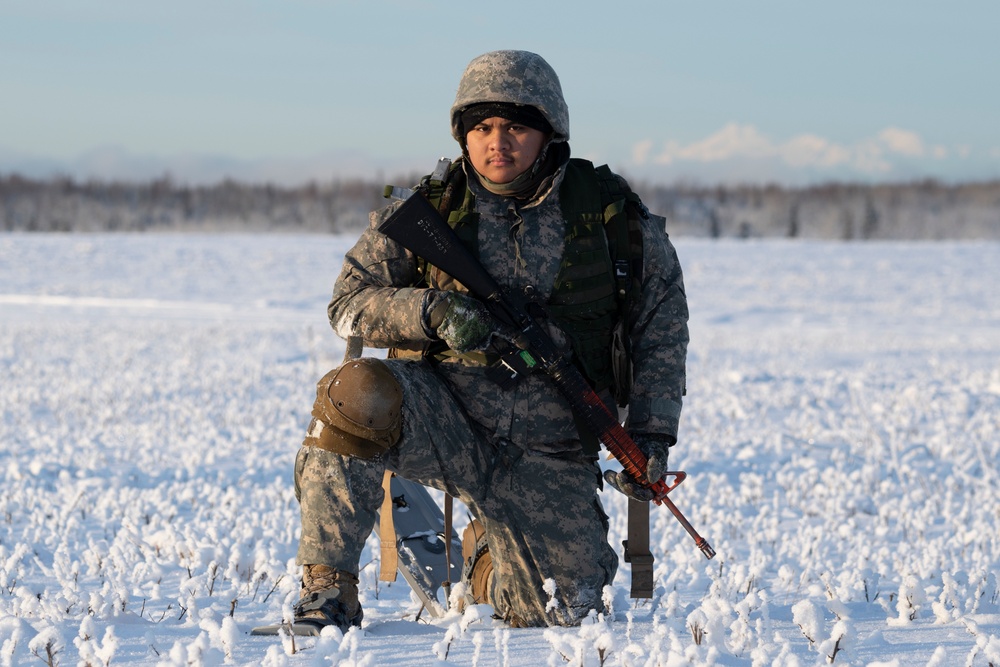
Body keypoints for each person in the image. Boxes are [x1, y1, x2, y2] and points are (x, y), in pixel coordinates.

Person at [291, 50, 689, 631]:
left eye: (515, 127)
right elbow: (347, 303)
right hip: (444, 418)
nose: (496, 142)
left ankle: (480, 557)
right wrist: (431, 312)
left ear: (549, 132)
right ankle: (327, 593)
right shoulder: (430, 210)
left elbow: (662, 326)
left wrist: (651, 432)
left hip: (552, 446)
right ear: (463, 135)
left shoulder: (612, 217)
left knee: (566, 612)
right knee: (354, 393)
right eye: (481, 128)